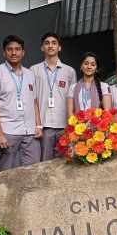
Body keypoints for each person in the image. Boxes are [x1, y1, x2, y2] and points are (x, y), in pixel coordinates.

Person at [0, 35, 42, 171]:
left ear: (23, 52)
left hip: (30, 132)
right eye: (10, 49)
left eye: (17, 49)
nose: (14, 52)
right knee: (7, 174)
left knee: (33, 172)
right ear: (4, 53)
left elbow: (34, 102)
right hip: (8, 132)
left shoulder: (30, 74)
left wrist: (38, 125)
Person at [31, 32, 77, 160]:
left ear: (59, 47)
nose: (50, 46)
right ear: (42, 48)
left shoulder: (69, 71)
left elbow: (73, 100)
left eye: (54, 43)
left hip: (64, 125)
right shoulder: (34, 70)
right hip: (44, 126)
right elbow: (32, 99)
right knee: (44, 163)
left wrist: (72, 125)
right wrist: (37, 125)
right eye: (47, 43)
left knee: (65, 163)